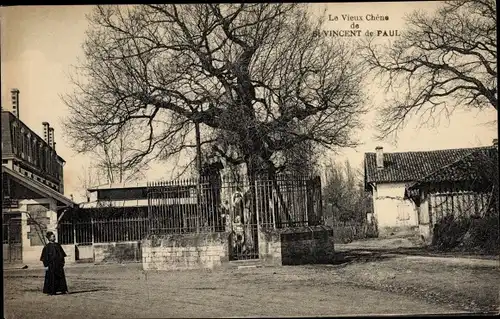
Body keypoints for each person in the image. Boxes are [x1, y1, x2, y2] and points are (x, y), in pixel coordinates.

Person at [40, 231, 69, 295]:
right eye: (53, 236)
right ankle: (52, 291)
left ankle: (63, 290)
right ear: (49, 238)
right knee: (51, 278)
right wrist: (46, 265)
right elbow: (44, 257)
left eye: (54, 236)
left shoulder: (58, 245)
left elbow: (62, 254)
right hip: (51, 265)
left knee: (60, 278)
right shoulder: (46, 247)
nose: (54, 237)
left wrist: (62, 262)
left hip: (58, 265)